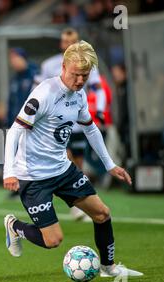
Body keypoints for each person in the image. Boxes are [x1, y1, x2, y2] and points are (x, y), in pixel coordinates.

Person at [3, 40, 143, 278]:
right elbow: (15, 130)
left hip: (63, 170)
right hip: (34, 177)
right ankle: (14, 226)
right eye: (76, 74)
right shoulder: (44, 94)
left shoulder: (79, 95)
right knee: (53, 240)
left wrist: (110, 165)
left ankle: (108, 268)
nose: (80, 81)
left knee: (102, 214)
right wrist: (9, 171)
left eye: (85, 76)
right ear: (64, 66)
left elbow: (90, 128)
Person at [34, 27, 107, 221]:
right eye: (65, 42)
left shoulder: (87, 64)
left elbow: (98, 89)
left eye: (72, 42)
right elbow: (38, 90)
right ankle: (64, 200)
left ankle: (77, 201)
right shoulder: (50, 65)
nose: (68, 45)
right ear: (61, 44)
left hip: (77, 123)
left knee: (78, 164)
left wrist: (99, 112)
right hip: (55, 124)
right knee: (64, 158)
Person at [6, 47, 38, 197]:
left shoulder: (34, 75)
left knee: (30, 155)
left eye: (15, 58)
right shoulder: (15, 79)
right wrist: (8, 120)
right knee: (17, 155)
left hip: (32, 123)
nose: (13, 62)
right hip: (16, 123)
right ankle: (17, 186)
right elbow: (11, 102)